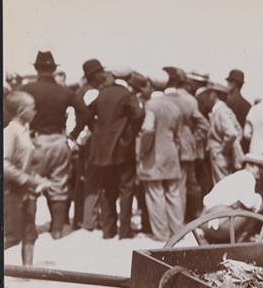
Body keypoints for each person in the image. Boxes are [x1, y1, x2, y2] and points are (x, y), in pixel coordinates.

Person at [20, 51, 92, 238]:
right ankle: (57, 231)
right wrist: (73, 135)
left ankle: (29, 231)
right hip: (59, 142)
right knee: (59, 187)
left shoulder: (27, 89)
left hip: (35, 142)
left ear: (37, 69)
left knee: (31, 188)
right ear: (53, 69)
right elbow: (85, 114)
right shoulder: (65, 91)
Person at [84, 58, 144, 239]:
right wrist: (130, 134)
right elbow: (138, 115)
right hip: (123, 150)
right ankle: (124, 231)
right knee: (126, 190)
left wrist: (98, 132)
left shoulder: (102, 94)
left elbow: (87, 114)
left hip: (102, 151)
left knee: (107, 190)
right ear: (129, 77)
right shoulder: (127, 95)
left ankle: (108, 230)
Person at [3, 92, 52, 265]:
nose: (35, 112)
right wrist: (27, 179)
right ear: (20, 110)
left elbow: (25, 163)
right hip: (12, 192)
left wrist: (36, 178)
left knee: (30, 234)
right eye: (32, 108)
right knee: (12, 236)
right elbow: (3, 164)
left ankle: (29, 273)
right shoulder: (11, 132)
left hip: (27, 191)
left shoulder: (24, 130)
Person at [136, 72, 184, 242]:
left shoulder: (151, 105)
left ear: (150, 84)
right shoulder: (174, 106)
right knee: (173, 192)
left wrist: (143, 150)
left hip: (154, 154)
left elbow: (148, 129)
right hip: (171, 152)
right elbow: (178, 134)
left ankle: (161, 234)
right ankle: (178, 232)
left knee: (155, 193)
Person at [164, 66, 210, 222]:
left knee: (176, 187)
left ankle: (177, 220)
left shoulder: (163, 98)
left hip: (169, 149)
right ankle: (190, 217)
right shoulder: (189, 100)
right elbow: (204, 125)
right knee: (186, 185)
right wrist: (192, 139)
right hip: (186, 150)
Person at [200, 154, 263, 243]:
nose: (261, 172)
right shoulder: (247, 176)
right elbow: (249, 202)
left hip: (205, 221)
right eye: (259, 168)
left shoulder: (233, 177)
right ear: (249, 166)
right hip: (220, 222)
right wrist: (260, 200)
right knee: (252, 212)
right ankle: (240, 242)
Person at [199, 83, 244, 184]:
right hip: (224, 156)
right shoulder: (226, 110)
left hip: (219, 155)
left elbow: (232, 133)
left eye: (209, 93)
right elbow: (239, 130)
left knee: (221, 186)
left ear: (214, 94)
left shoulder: (220, 111)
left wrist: (222, 150)